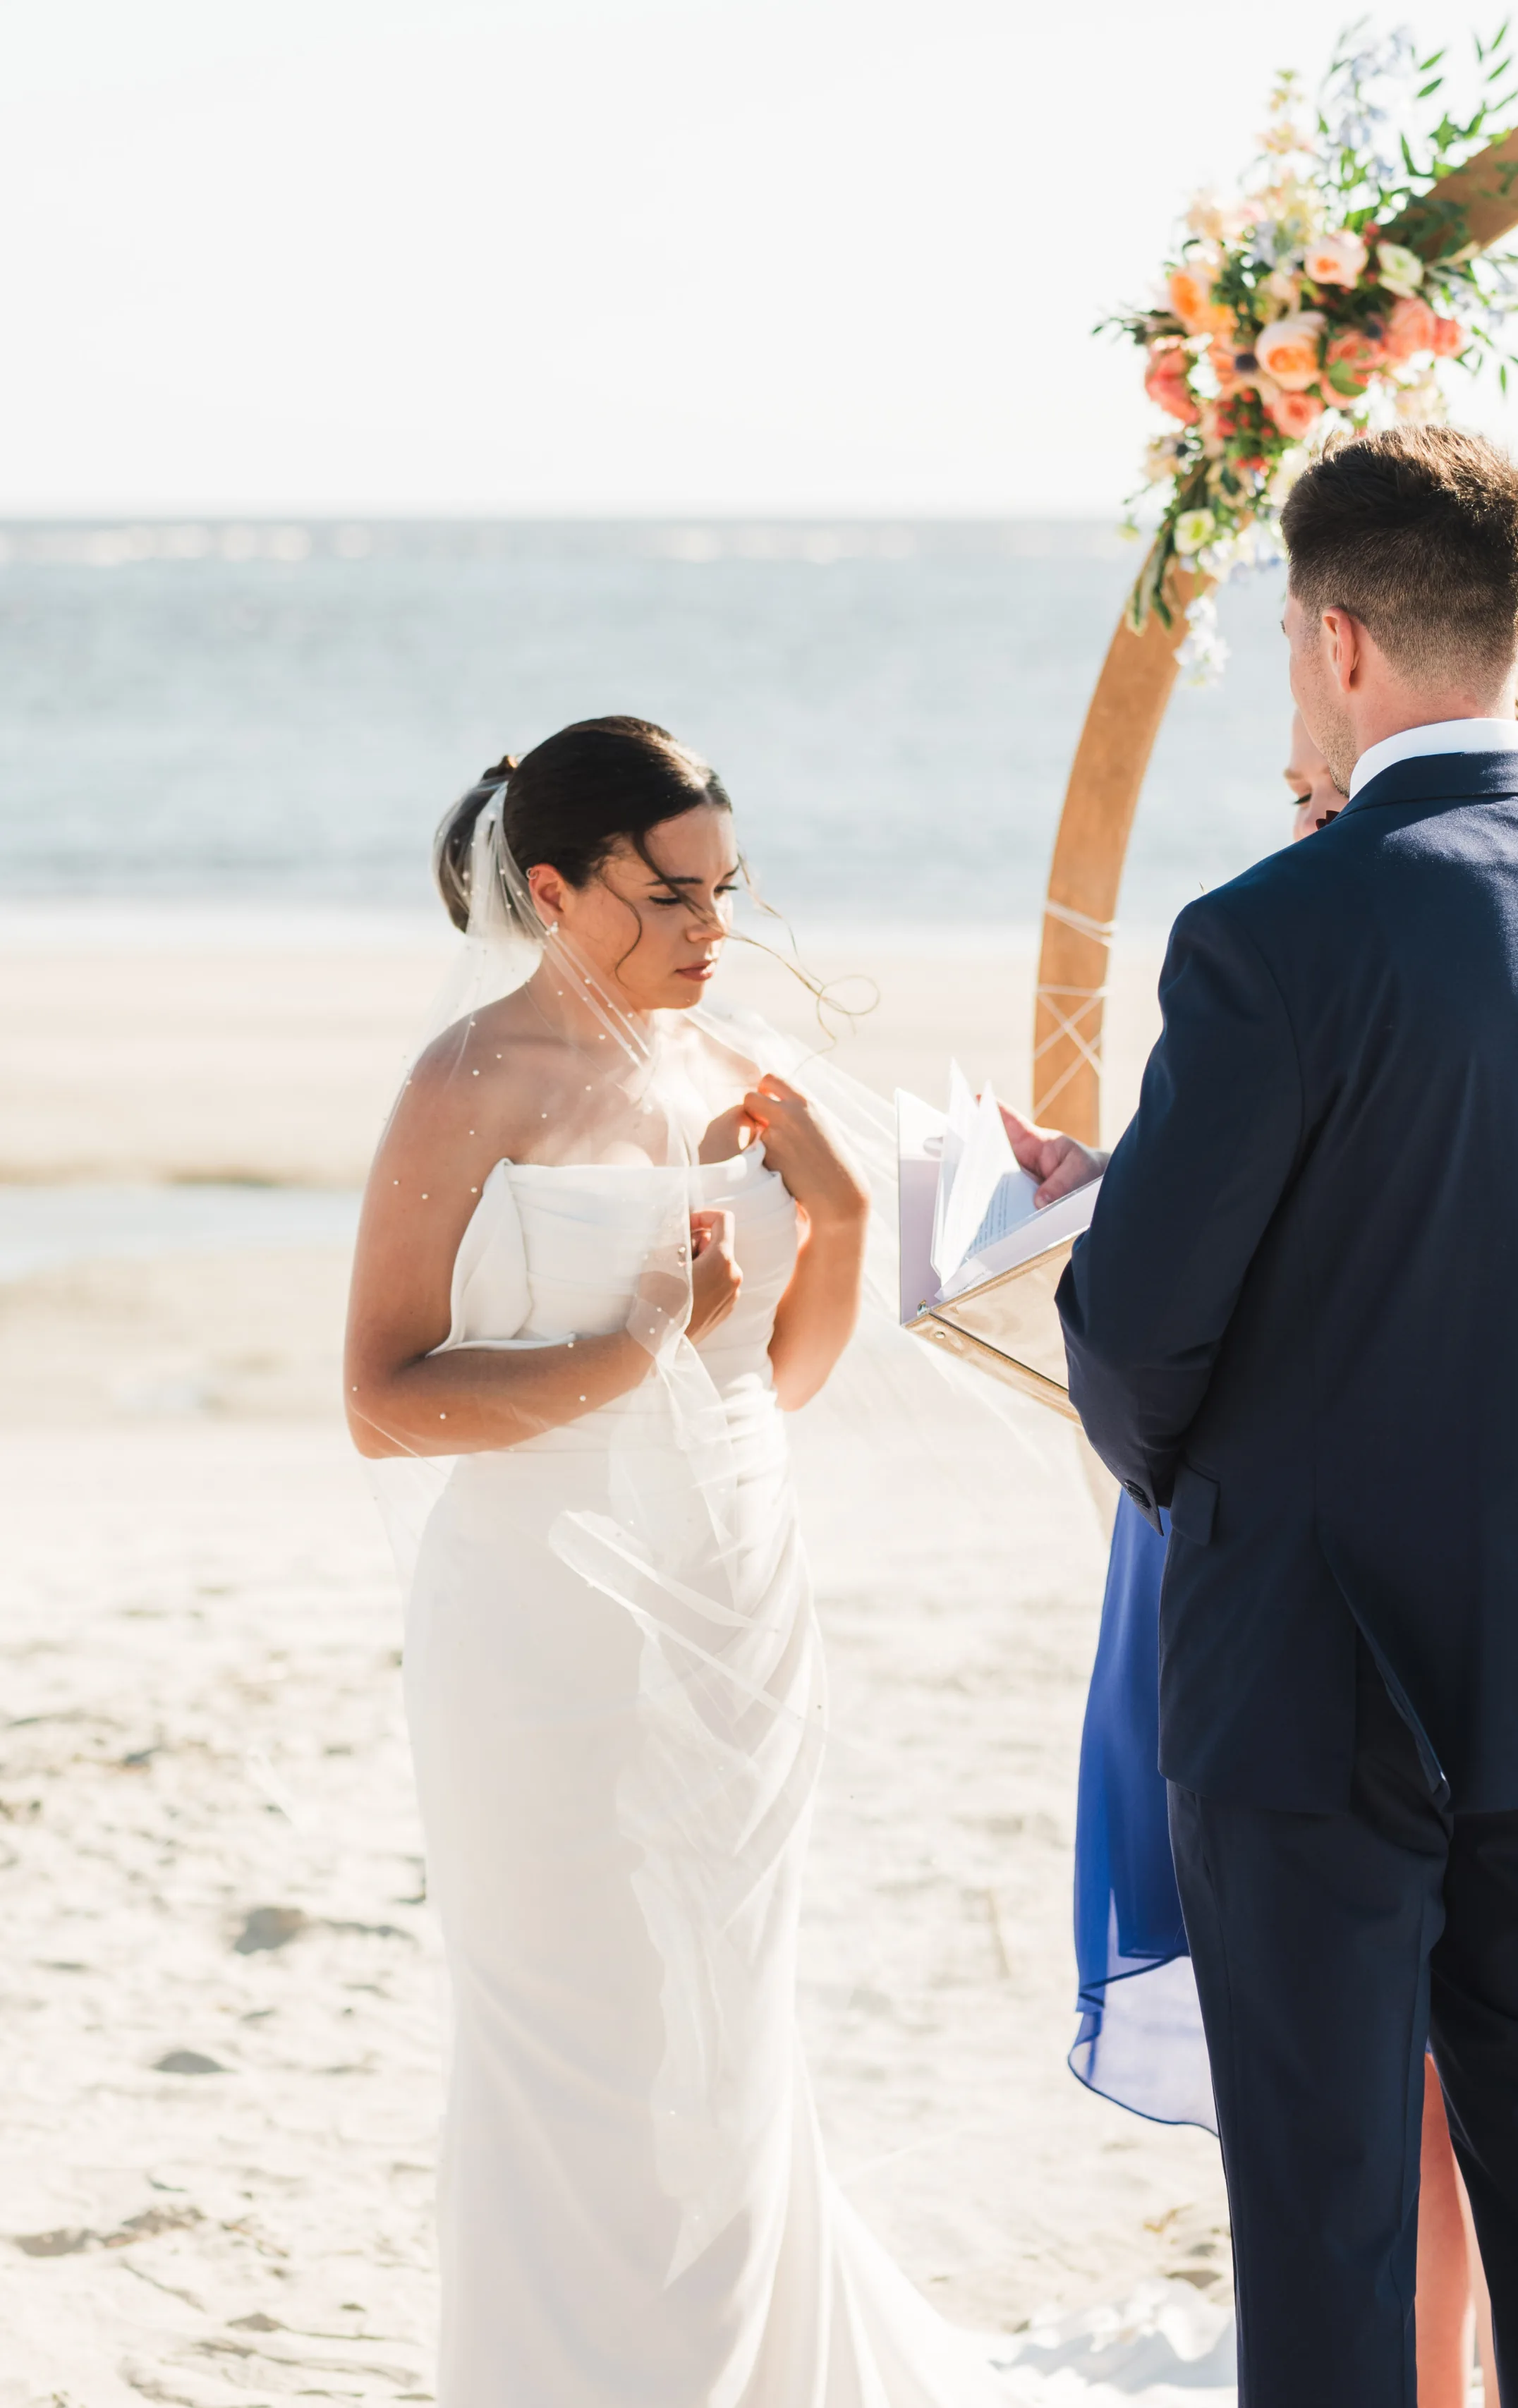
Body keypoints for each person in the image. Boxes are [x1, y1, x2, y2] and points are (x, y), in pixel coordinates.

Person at [1030, 424, 1518, 2407]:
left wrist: (1218, 1442)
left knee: (1333, 2211)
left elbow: (1133, 1340)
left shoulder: (1271, 935)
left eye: (1291, 651)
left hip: (1313, 1669)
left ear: (1337, 642)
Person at [343, 719, 1014, 2407]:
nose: (712, 931)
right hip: (538, 1634)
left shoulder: (730, 1077)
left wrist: (843, 1223)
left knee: (723, 2027)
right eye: (669, 896)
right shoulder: (468, 1084)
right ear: (554, 890)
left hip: (735, 1605)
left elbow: (764, 1385)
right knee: (574, 2030)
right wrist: (633, 1349)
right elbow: (380, 1400)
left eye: (725, 890)